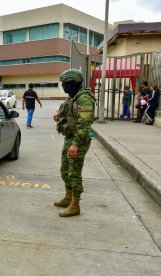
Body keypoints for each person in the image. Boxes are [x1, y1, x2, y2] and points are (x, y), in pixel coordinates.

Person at [53, 69, 95, 217]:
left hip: (79, 140)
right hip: (69, 138)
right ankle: (68, 197)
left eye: (66, 84)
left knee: (74, 173)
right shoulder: (73, 97)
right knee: (65, 170)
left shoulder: (84, 99)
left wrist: (75, 144)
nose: (63, 86)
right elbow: (67, 107)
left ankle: (75, 205)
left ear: (74, 83)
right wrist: (59, 112)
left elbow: (85, 125)